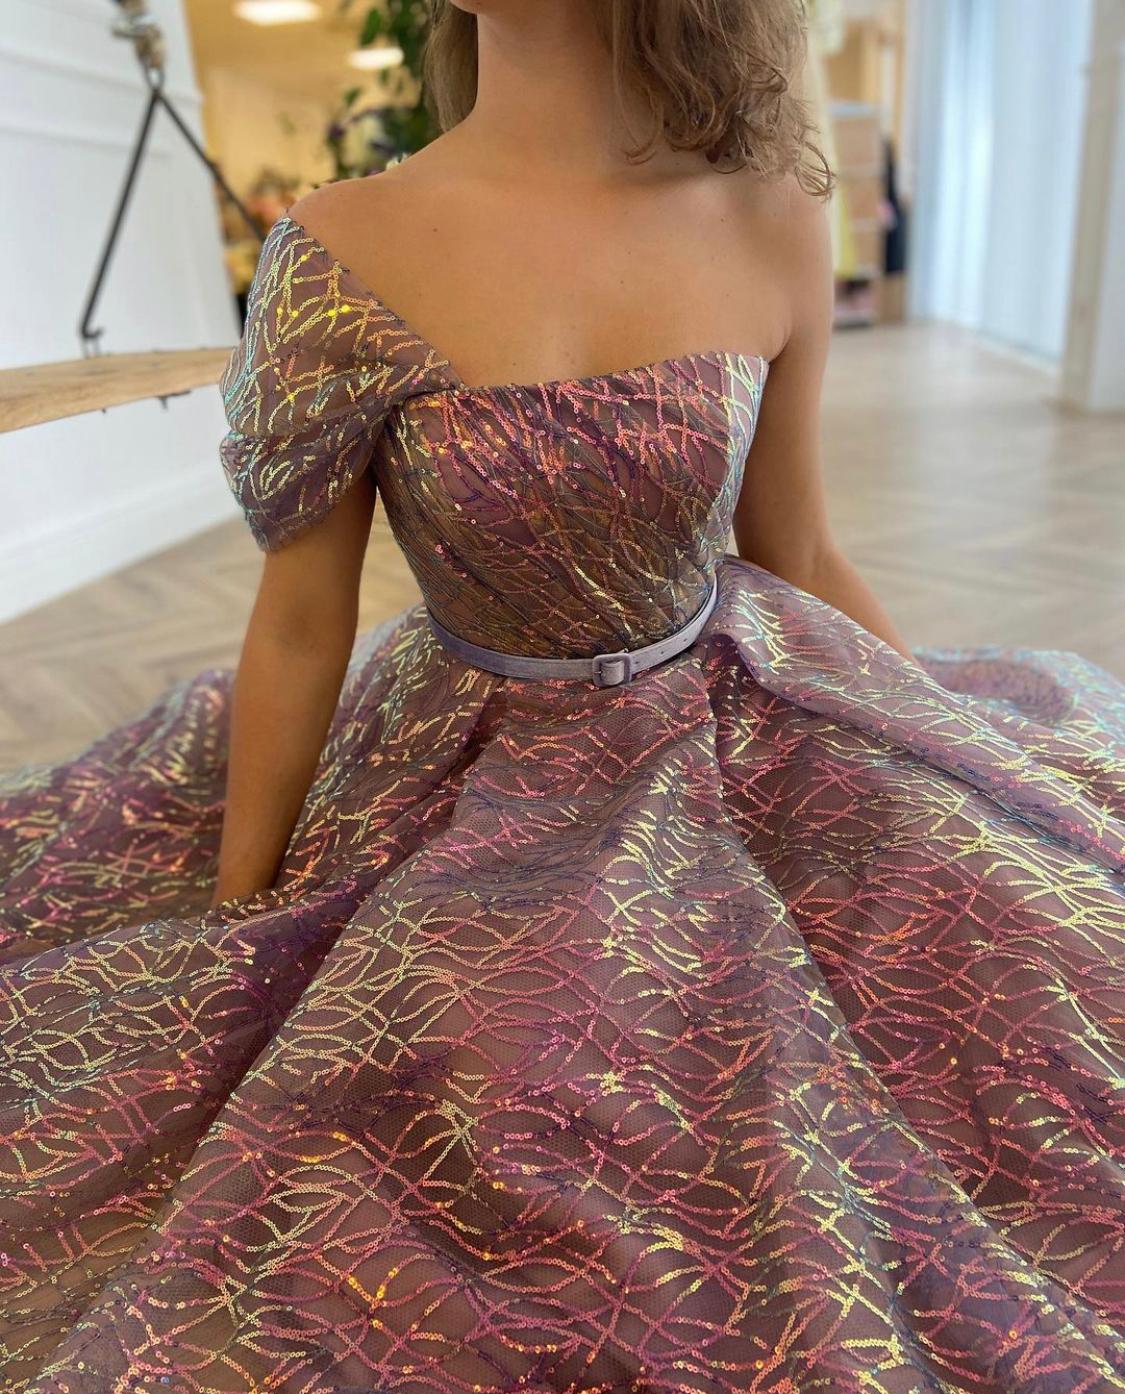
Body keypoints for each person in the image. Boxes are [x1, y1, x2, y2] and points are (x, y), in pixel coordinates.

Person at [1, 2, 1122, 1390]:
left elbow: (797, 545)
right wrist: (242, 922)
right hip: (466, 766)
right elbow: (300, 618)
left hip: (732, 719)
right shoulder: (341, 249)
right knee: (492, 1124)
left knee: (979, 1020)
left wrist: (937, 739)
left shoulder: (767, 210)